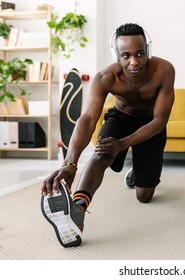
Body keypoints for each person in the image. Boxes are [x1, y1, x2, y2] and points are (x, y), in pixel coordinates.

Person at [40, 23, 175, 247]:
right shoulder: (105, 78)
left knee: (144, 196)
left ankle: (136, 174)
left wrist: (123, 144)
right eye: (126, 55)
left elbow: (160, 120)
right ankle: (77, 210)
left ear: (147, 51)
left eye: (140, 53)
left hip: (151, 124)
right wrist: (70, 163)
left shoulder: (164, 71)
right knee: (101, 153)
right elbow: (88, 119)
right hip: (120, 118)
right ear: (117, 55)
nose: (134, 61)